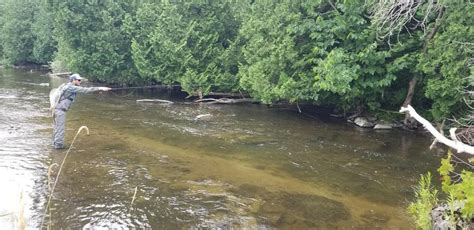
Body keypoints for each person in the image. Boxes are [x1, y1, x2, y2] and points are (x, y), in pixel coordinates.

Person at [52, 73, 111, 149]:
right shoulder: (71, 87)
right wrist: (100, 88)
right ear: (73, 80)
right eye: (78, 80)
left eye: (80, 80)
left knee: (57, 128)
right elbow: (84, 90)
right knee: (60, 130)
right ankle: (58, 148)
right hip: (60, 111)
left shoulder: (67, 86)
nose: (80, 81)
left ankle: (55, 146)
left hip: (57, 110)